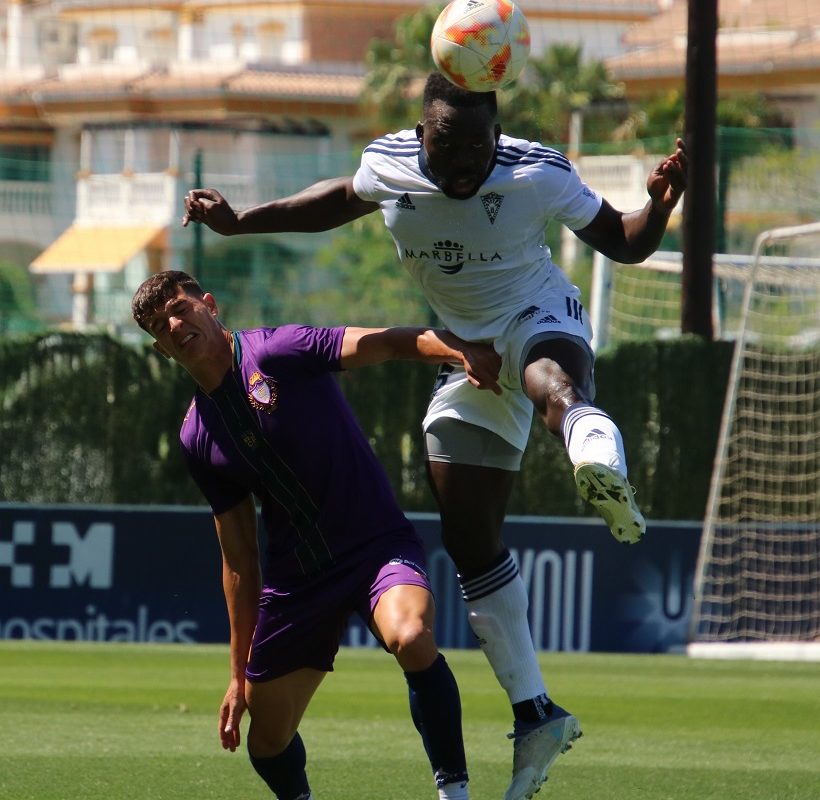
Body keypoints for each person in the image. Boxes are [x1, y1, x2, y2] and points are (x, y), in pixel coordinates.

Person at [181, 71, 688, 800]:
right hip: (462, 354)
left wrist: (659, 206)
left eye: (480, 147)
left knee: (554, 386)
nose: (464, 164)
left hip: (537, 317)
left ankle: (596, 458)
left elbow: (625, 242)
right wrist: (239, 221)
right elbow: (332, 203)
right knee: (469, 539)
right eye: (449, 148)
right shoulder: (390, 161)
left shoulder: (535, 171)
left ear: (497, 138)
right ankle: (536, 711)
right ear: (423, 136)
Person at [131, 269, 505, 800]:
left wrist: (460, 350)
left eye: (179, 308)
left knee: (412, 638)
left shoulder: (280, 350)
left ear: (208, 305)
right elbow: (238, 558)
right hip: (298, 579)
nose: (173, 325)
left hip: (376, 546)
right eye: (158, 326)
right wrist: (238, 673)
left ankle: (455, 792)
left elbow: (391, 342)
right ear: (161, 349)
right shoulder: (196, 435)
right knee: (267, 740)